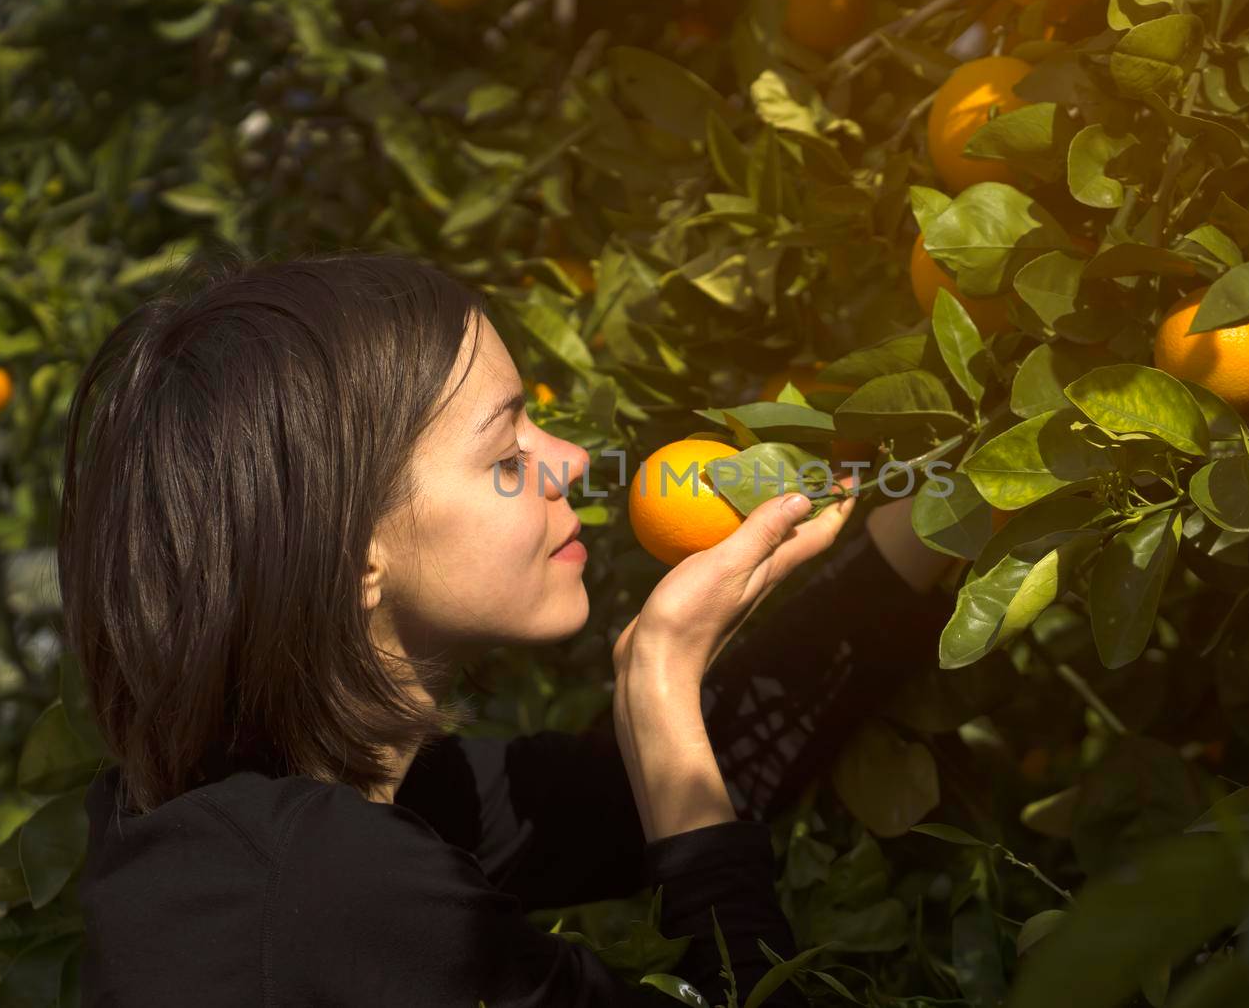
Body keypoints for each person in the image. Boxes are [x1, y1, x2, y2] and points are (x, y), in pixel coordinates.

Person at [63, 252, 958, 1007]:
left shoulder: (297, 823)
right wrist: (655, 687)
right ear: (352, 557)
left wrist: (975, 500)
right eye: (504, 453)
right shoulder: (329, 887)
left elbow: (633, 800)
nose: (571, 461)